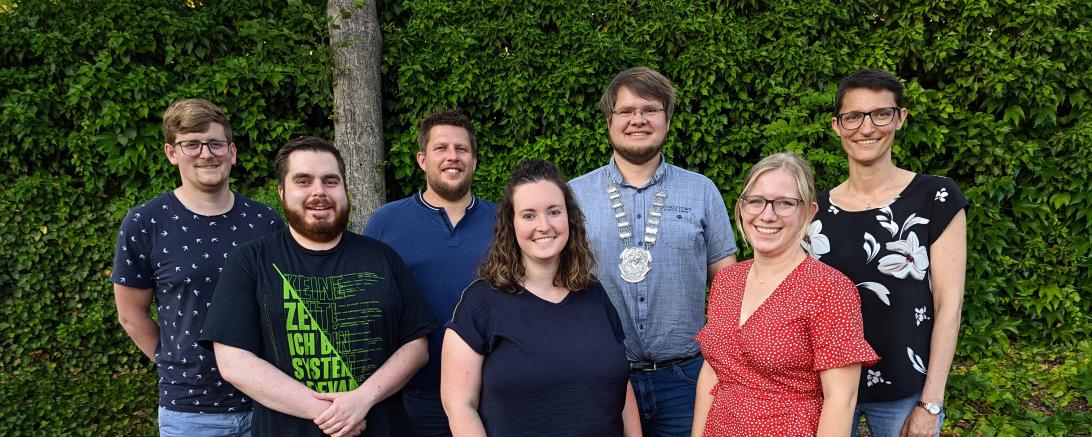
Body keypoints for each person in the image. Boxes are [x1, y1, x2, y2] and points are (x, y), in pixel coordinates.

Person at [199, 137, 439, 437]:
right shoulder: (250, 261)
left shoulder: (382, 257)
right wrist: (332, 413)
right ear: (282, 192)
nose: (319, 192)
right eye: (303, 180)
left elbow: (417, 346)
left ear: (344, 190)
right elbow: (233, 361)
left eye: (330, 181)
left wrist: (362, 400)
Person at [569, 66, 738, 436]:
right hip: (603, 378)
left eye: (650, 109)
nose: (638, 120)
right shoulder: (573, 196)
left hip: (686, 379)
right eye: (626, 111)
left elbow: (729, 284)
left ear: (667, 119)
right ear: (609, 120)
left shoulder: (701, 190)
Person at [809, 69, 968, 437]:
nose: (867, 128)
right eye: (853, 116)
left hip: (907, 389)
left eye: (881, 114)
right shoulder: (814, 212)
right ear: (837, 126)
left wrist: (932, 402)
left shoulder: (936, 198)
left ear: (900, 118)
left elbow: (949, 306)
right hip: (826, 390)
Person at [110, 98, 283, 436]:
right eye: (191, 144)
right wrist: (174, 363)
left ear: (232, 153)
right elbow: (131, 315)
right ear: (171, 153)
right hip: (191, 412)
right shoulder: (146, 222)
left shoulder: (265, 220)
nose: (206, 154)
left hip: (269, 401)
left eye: (216, 143)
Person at [441, 159, 641, 437]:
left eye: (554, 211)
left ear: (569, 218)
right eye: (529, 215)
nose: (543, 225)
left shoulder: (593, 294)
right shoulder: (481, 303)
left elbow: (621, 384)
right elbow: (460, 404)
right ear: (510, 225)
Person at [692, 152, 879, 436]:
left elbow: (841, 399)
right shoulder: (727, 280)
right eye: (756, 201)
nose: (767, 215)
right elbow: (713, 370)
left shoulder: (829, 289)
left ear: (809, 212)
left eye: (785, 203)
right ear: (742, 207)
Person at [363, 109, 497, 437]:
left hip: (491, 390)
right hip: (413, 394)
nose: (452, 157)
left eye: (462, 149)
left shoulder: (504, 222)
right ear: (422, 159)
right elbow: (365, 305)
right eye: (441, 149)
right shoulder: (386, 223)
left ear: (475, 161)